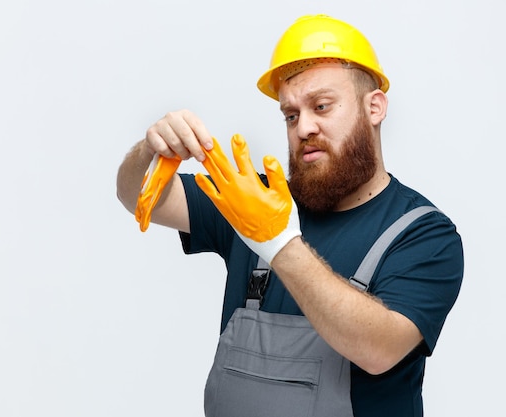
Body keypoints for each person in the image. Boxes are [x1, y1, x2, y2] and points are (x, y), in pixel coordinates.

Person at [116, 14, 463, 417]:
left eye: (321, 106)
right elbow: (138, 195)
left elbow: (378, 348)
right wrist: (150, 149)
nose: (303, 128)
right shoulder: (253, 198)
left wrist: (278, 241)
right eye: (291, 115)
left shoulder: (424, 234)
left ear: (375, 107)